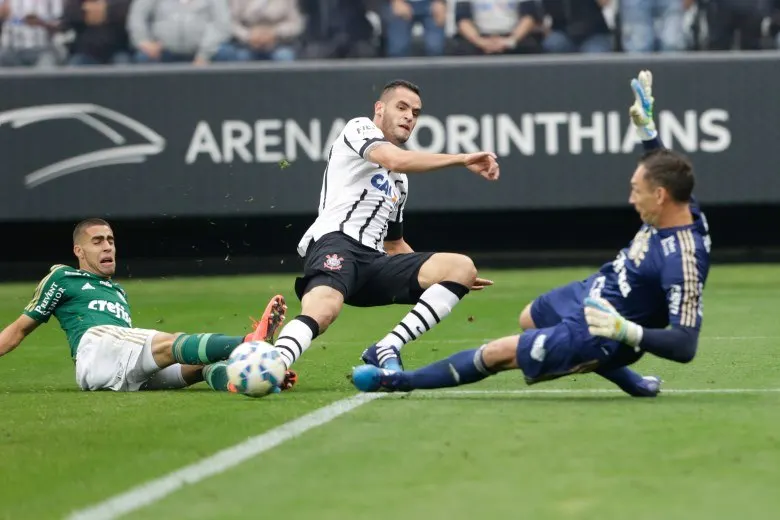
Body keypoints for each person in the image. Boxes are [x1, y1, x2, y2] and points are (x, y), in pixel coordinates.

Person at [351, 70, 712, 398]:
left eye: (637, 191)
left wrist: (623, 331)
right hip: (598, 290)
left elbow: (684, 345)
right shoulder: (682, 204)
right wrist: (648, 133)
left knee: (495, 353)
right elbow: (664, 170)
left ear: (660, 196)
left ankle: (395, 381)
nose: (632, 199)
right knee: (530, 318)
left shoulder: (682, 258)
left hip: (605, 327)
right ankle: (634, 384)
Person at [271, 79, 500, 374]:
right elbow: (394, 158)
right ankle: (275, 363)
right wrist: (463, 158)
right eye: (401, 107)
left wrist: (448, 277)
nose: (409, 116)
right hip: (337, 243)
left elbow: (394, 244)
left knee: (461, 266)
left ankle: (386, 347)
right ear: (379, 109)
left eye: (415, 113)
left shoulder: (399, 182)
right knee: (324, 310)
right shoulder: (358, 128)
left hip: (374, 264)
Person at [0, 218, 295, 393]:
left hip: (119, 368)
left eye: (111, 240)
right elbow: (18, 330)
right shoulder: (64, 277)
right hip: (97, 347)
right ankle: (248, 342)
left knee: (197, 366)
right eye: (98, 241)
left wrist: (266, 371)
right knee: (172, 341)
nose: (107, 247)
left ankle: (251, 377)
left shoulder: (117, 290)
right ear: (79, 250)